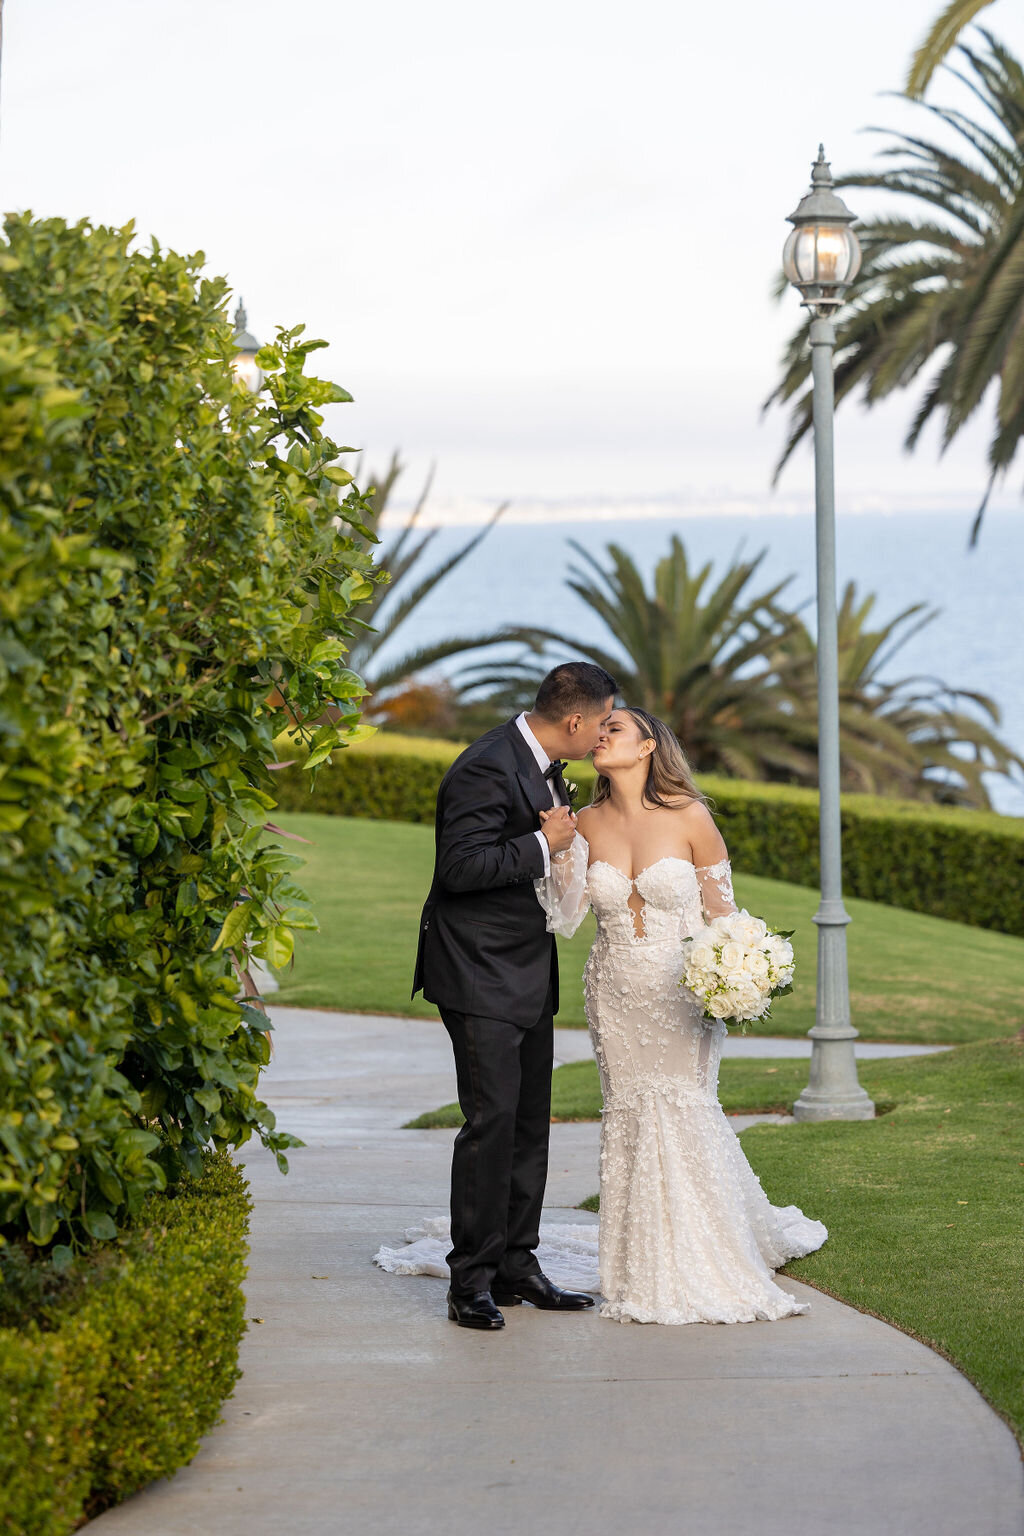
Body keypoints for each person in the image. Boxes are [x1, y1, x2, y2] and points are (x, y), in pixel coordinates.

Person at [532, 706, 826, 1324]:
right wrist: (559, 853)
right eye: (599, 729)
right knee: (630, 1111)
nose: (601, 736)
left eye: (615, 729)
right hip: (613, 988)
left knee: (685, 1106)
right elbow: (564, 916)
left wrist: (738, 973)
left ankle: (706, 1250)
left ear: (645, 748)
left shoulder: (691, 816)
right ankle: (637, 1260)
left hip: (680, 988)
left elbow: (725, 914)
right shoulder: (583, 823)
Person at [408, 661, 617, 1330]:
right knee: (491, 1124)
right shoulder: (484, 766)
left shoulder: (542, 762)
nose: (605, 732)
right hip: (477, 971)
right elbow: (460, 868)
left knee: (529, 1124)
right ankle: (469, 1280)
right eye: (604, 720)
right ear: (575, 721)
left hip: (527, 970)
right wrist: (541, 843)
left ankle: (517, 1266)